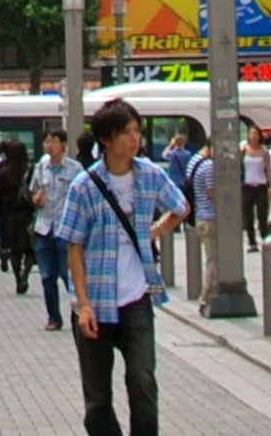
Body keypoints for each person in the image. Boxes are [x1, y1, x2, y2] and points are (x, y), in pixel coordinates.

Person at [56, 97, 186, 436]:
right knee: (97, 398)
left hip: (136, 301)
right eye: (126, 132)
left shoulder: (150, 175)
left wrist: (157, 229)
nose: (134, 139)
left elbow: (181, 207)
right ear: (106, 139)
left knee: (143, 381)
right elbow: (74, 246)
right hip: (96, 303)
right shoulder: (84, 186)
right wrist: (82, 303)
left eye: (137, 131)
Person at [30, 127, 78, 330]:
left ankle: (79, 311)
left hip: (65, 230)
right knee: (47, 276)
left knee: (67, 275)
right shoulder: (41, 166)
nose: (49, 145)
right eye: (47, 142)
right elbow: (33, 191)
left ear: (64, 145)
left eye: (53, 141)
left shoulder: (75, 169)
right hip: (44, 228)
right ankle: (54, 317)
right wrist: (36, 199)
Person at [0, 141, 34, 295]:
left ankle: (18, 279)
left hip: (9, 216)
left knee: (15, 251)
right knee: (29, 249)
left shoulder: (4, 172)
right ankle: (25, 274)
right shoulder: (31, 170)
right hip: (28, 213)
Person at [192, 144, 215, 313]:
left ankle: (207, 295)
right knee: (213, 261)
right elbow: (211, 191)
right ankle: (205, 297)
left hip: (202, 216)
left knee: (211, 259)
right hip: (210, 217)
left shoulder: (197, 162)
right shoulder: (209, 167)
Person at [240, 125, 271, 251]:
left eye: (255, 133)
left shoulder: (264, 151)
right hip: (247, 185)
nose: (253, 136)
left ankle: (264, 238)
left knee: (262, 215)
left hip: (261, 185)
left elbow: (268, 169)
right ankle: (252, 242)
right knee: (248, 216)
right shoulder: (243, 150)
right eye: (251, 133)